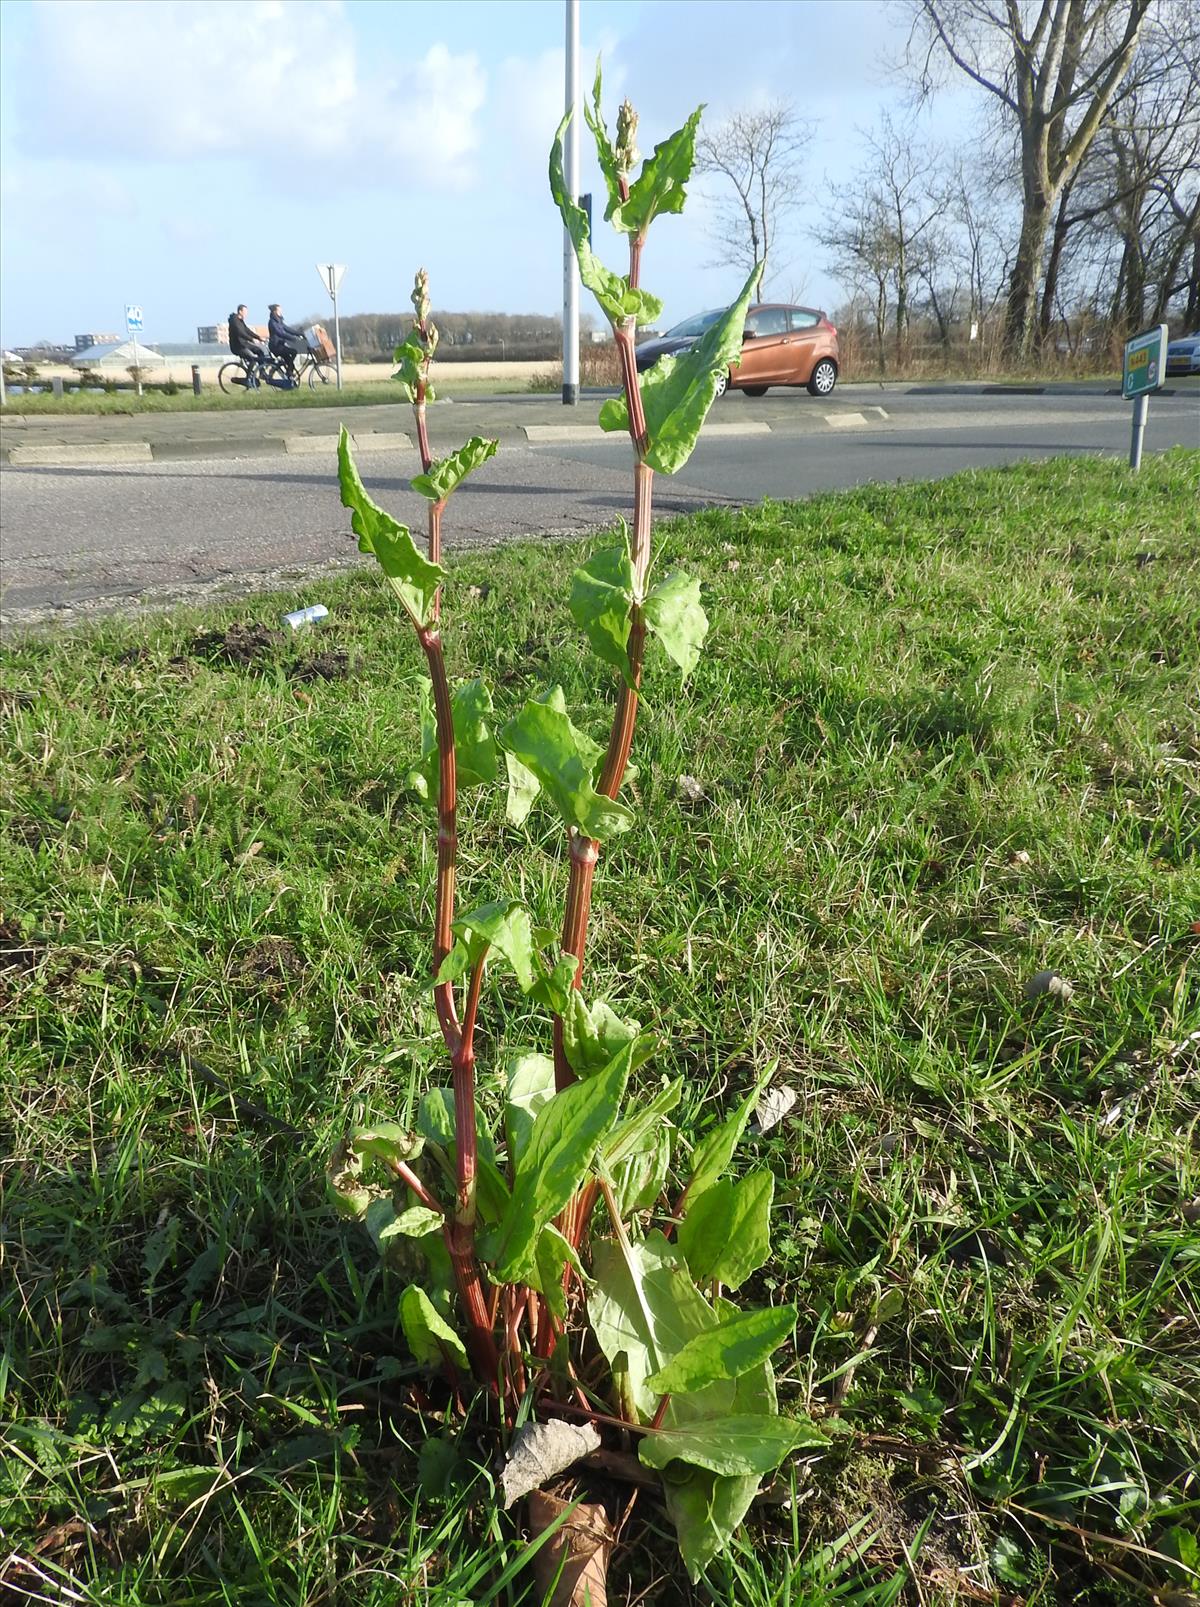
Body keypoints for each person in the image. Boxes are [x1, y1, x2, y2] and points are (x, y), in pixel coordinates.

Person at [228, 305, 268, 385]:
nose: (246, 314)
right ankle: (248, 379)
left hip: (244, 344)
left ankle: (262, 373)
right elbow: (240, 332)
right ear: (240, 311)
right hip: (238, 347)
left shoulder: (240, 321)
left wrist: (259, 337)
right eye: (245, 312)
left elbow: (247, 330)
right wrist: (251, 339)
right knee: (253, 359)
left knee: (260, 351)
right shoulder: (234, 321)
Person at [268, 304, 307, 380]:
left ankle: (289, 376)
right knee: (293, 352)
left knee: (290, 361)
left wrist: (299, 334)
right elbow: (280, 333)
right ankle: (288, 372)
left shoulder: (279, 321)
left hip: (280, 345)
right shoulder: (272, 322)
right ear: (275, 312)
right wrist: (293, 338)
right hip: (275, 346)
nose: (281, 311)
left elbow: (288, 329)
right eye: (279, 310)